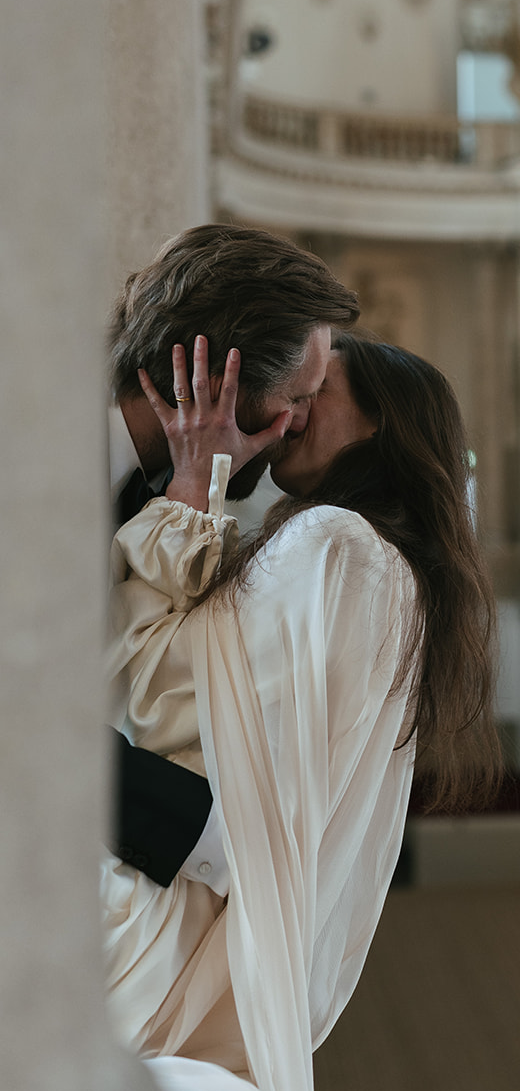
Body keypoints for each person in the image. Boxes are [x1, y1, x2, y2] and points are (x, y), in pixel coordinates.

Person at [103, 332, 501, 1091]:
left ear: (385, 423)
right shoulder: (375, 560)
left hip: (173, 925)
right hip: (206, 914)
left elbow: (158, 695)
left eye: (319, 389)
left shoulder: (339, 546)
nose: (289, 408)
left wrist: (190, 484)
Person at [107, 223, 360, 893]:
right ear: (217, 377)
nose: (299, 422)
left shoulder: (158, 495)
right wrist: (221, 840)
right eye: (299, 397)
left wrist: (194, 491)